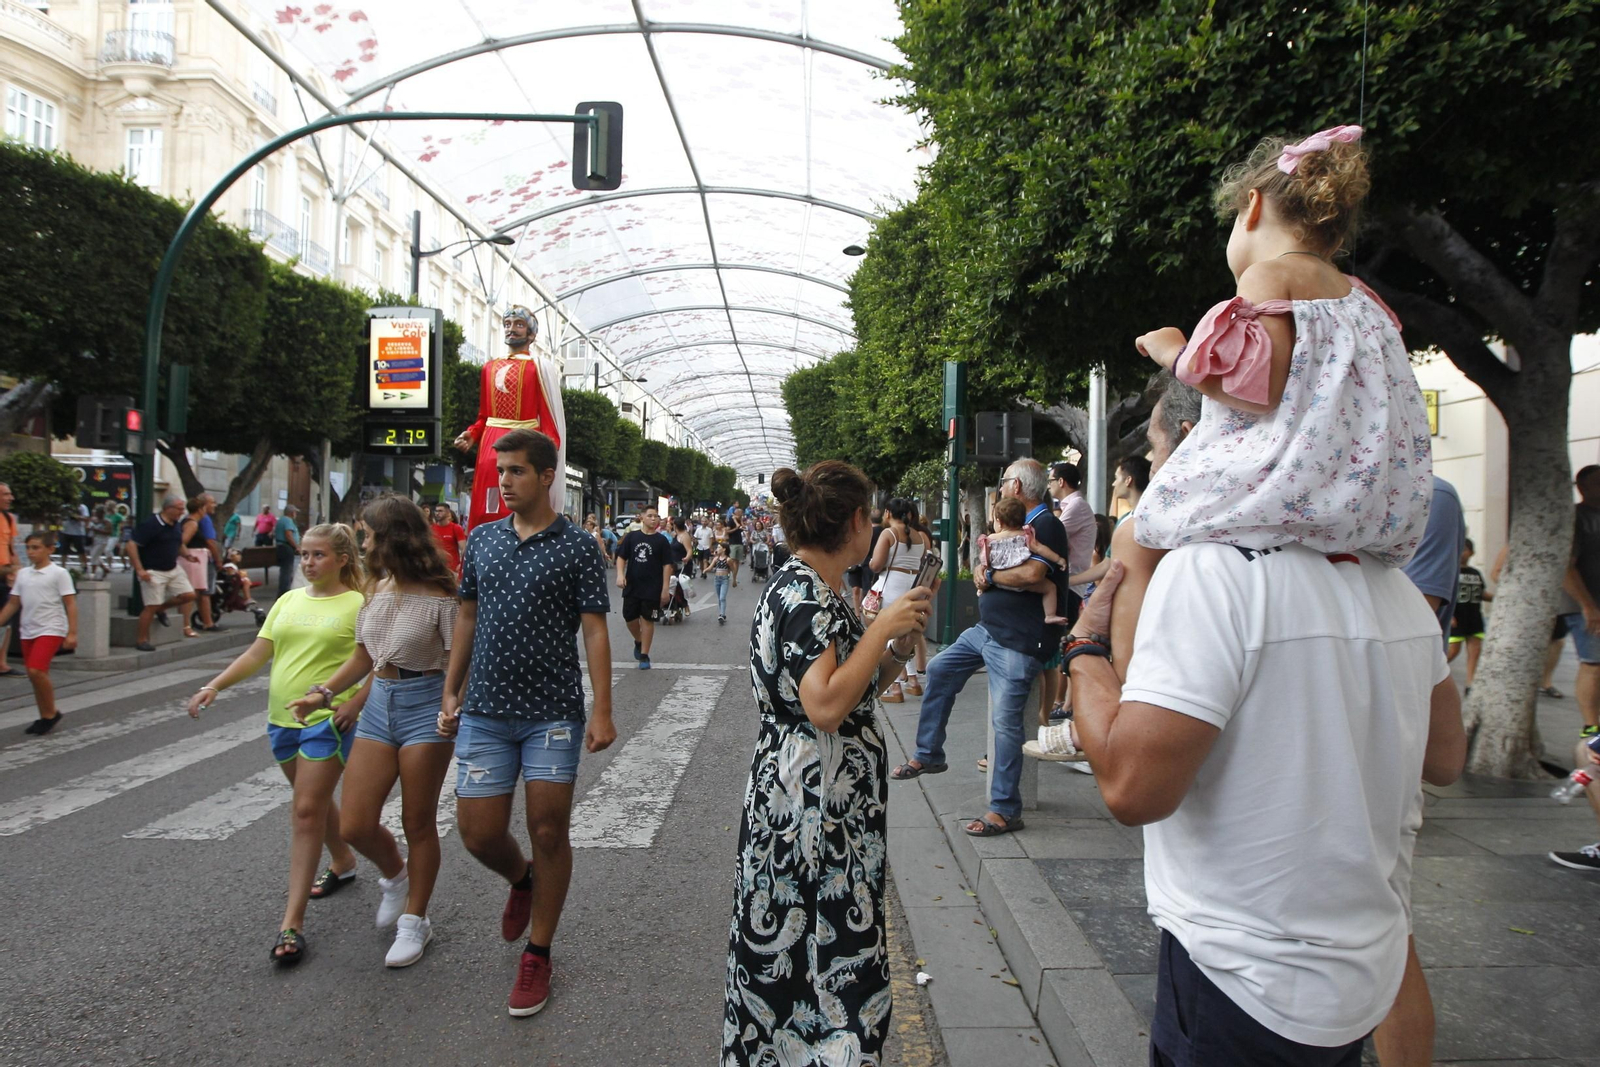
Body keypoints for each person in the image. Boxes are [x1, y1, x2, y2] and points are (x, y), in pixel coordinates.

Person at [1058, 373, 1466, 1066]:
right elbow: (1447, 759)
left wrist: (1084, 653)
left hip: (1241, 973)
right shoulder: (1392, 586)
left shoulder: (1212, 574)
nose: (1157, 471)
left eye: (1158, 451)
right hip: (1357, 974)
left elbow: (1132, 787)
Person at [1114, 125, 1432, 677]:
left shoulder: (1268, 276)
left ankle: (1126, 681)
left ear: (1253, 207)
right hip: (1357, 505)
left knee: (1137, 540)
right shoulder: (1365, 300)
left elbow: (1251, 386)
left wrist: (1176, 353)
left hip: (1278, 493)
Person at [724, 461, 930, 1066]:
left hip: (818, 804)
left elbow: (855, 685)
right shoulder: (804, 593)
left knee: (815, 952)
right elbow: (825, 705)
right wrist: (880, 629)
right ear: (858, 521)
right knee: (823, 956)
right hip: (812, 812)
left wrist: (892, 642)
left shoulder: (814, 586)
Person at [438, 429, 614, 1017]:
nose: (504, 481)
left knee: (547, 830)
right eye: (500, 471)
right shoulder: (482, 540)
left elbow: (593, 629)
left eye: (515, 471)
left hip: (551, 714)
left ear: (546, 477)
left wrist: (603, 709)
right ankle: (522, 881)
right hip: (486, 711)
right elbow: (467, 616)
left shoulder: (577, 547)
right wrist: (451, 687)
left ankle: (538, 952)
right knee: (479, 833)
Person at [184, 523, 369, 965]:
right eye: (304, 555)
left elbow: (377, 663)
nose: (307, 563)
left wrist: (355, 705)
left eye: (318, 555)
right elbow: (257, 652)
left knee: (305, 811)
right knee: (313, 803)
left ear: (343, 559)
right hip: (281, 721)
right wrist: (215, 685)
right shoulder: (287, 601)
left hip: (328, 718)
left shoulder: (360, 604)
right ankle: (343, 861)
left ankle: (292, 923)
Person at [286, 496, 459, 969]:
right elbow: (365, 655)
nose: (363, 543)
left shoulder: (444, 596)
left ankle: (415, 921)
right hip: (380, 706)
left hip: (425, 706)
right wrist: (324, 694)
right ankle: (396, 876)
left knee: (417, 822)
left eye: (367, 534)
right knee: (355, 823)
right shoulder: (378, 588)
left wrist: (452, 705)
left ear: (391, 538)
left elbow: (458, 663)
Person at [891, 459, 1070, 837]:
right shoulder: (1021, 525)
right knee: (939, 670)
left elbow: (1033, 574)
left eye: (1004, 482)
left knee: (1005, 722)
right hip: (989, 630)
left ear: (1017, 487)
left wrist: (988, 575)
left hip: (1018, 640)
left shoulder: (1045, 525)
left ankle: (1005, 809)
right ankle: (929, 754)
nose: (1001, 487)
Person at [453, 306, 568, 526]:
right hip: (490, 445)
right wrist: (473, 433)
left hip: (525, 440)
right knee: (489, 502)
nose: (511, 329)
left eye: (519, 324)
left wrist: (548, 450)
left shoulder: (538, 369)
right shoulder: (489, 367)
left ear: (531, 334)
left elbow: (547, 417)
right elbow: (484, 415)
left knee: (519, 500)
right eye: (507, 324)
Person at [1549, 465, 1600, 873]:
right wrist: (1587, 604)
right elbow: (1567, 565)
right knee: (1593, 663)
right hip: (1590, 608)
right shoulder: (1577, 519)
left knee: (1589, 756)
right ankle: (1591, 725)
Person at [0, 532, 77, 734]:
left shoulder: (59, 573)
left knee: (36, 670)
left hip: (51, 627)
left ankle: (51, 713)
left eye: (36, 547)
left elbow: (70, 604)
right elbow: (14, 603)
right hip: (28, 629)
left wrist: (72, 633)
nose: (31, 552)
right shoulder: (24, 574)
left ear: (50, 549)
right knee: (35, 675)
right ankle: (45, 715)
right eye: (28, 548)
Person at [867, 498, 935, 703]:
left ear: (888, 513)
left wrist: (871, 562)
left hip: (890, 587)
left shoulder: (888, 534)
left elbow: (877, 565)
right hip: (911, 587)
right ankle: (913, 682)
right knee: (906, 635)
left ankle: (894, 687)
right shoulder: (920, 536)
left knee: (889, 634)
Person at [978, 497, 1070, 624]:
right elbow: (1040, 549)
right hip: (1022, 583)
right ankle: (1050, 615)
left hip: (997, 581)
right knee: (1050, 588)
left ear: (999, 522)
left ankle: (980, 589)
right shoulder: (1026, 535)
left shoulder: (990, 539)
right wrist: (1059, 559)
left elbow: (985, 559)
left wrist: (983, 573)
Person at [127, 494, 199, 652]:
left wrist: (187, 555)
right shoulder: (152, 524)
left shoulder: (176, 525)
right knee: (150, 606)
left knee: (189, 595)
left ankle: (162, 608)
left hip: (172, 568)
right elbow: (132, 545)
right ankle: (142, 639)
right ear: (168, 508)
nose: (182, 512)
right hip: (153, 570)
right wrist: (140, 569)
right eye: (179, 509)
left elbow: (178, 543)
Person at [615, 507, 675, 671]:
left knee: (648, 619)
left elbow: (667, 566)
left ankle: (644, 655)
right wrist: (620, 575)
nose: (653, 519)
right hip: (632, 586)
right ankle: (639, 640)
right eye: (650, 516)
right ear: (642, 518)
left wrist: (665, 589)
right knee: (629, 617)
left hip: (653, 588)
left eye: (656, 516)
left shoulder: (662, 541)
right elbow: (621, 557)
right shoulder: (632, 537)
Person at [1447, 539, 1492, 690]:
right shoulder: (1450, 571)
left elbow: (1482, 594)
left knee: (1475, 650)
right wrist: (1449, 614)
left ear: (1471, 553)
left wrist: (1500, 598)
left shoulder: (1475, 573)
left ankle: (1470, 683)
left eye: (1465, 549)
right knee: (1453, 650)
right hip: (1457, 617)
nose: (1462, 553)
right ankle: (1435, 671)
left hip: (1474, 617)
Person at [178, 496, 215, 637]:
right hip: (193, 559)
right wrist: (187, 555)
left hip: (197, 559)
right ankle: (185, 625)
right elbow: (182, 541)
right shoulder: (192, 523)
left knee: (195, 592)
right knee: (190, 593)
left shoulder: (193, 522)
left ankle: (185, 624)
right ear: (201, 509)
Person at [430, 504, 468, 574]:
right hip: (435, 568)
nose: (437, 513)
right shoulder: (430, 529)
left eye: (440, 511)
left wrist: (461, 565)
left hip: (452, 569)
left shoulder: (456, 528)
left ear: (448, 513)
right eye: (436, 511)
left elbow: (464, 549)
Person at [275, 504, 302, 600]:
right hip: (286, 548)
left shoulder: (281, 520)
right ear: (291, 512)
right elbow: (288, 535)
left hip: (282, 547)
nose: (296, 514)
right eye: (295, 512)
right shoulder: (288, 521)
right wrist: (296, 546)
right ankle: (284, 593)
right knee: (287, 571)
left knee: (285, 571)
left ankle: (283, 592)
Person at [87, 505, 116, 579]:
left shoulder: (107, 522)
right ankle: (105, 569)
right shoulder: (93, 520)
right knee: (95, 555)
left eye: (98, 512)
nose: (97, 514)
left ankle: (93, 573)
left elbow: (109, 532)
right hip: (93, 540)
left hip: (102, 541)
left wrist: (97, 530)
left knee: (93, 556)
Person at [59, 500, 90, 571]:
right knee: (64, 550)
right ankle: (63, 567)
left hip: (78, 532)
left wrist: (77, 517)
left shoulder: (82, 507)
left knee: (81, 550)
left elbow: (86, 518)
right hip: (65, 531)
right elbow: (61, 517)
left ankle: (84, 566)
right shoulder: (64, 507)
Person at [709, 543, 732, 623]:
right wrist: (705, 570)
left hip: (724, 579)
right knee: (719, 598)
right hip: (717, 579)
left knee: (722, 597)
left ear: (724, 549)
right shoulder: (716, 559)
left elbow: (733, 569)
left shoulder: (728, 559)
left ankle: (722, 614)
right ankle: (721, 613)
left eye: (719, 547)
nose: (717, 548)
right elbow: (710, 567)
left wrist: (734, 579)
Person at [726, 509, 745, 587]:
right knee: (732, 560)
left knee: (737, 561)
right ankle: (728, 574)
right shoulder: (731, 520)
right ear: (736, 513)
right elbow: (728, 531)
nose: (741, 514)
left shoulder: (739, 520)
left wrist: (739, 521)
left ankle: (734, 578)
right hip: (733, 542)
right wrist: (736, 528)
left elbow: (743, 527)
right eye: (740, 513)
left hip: (739, 542)